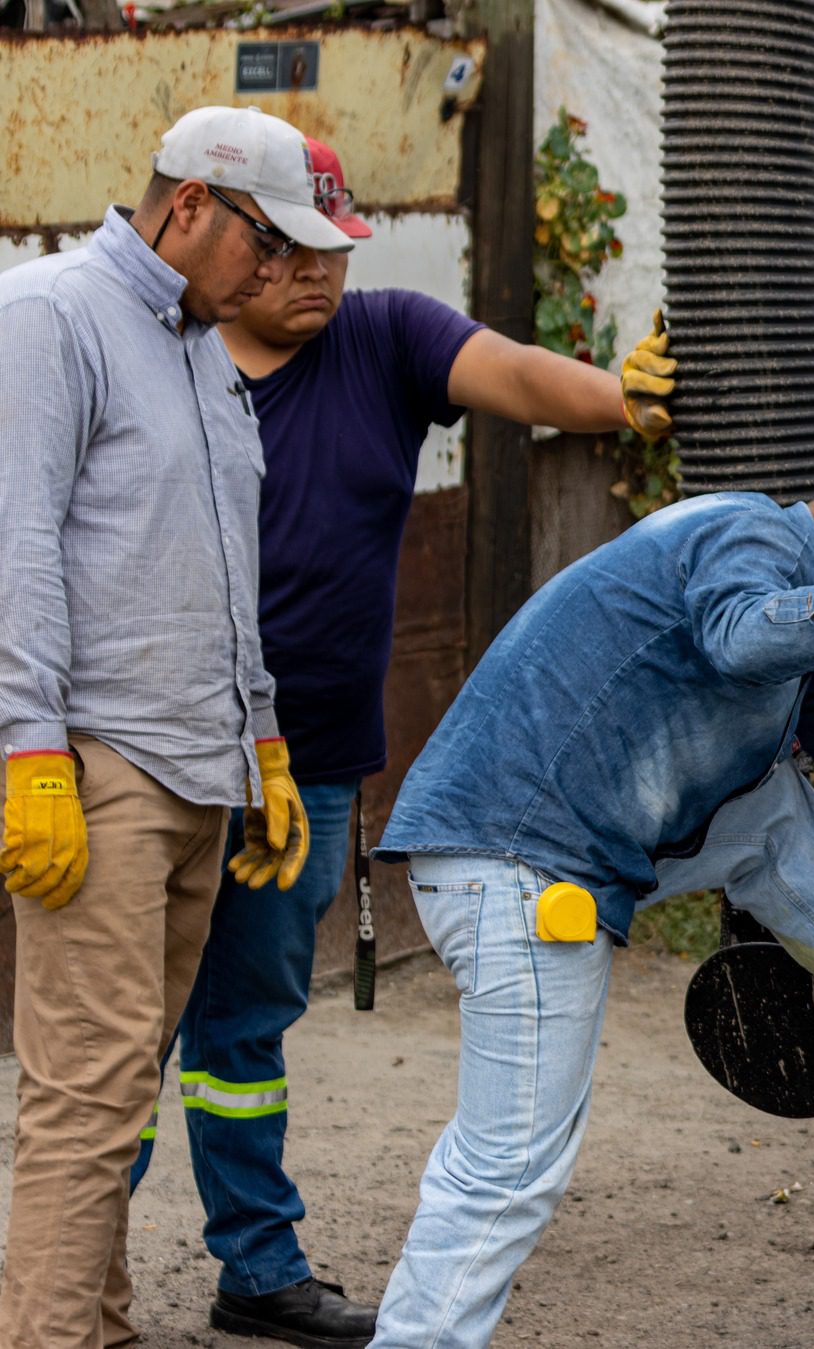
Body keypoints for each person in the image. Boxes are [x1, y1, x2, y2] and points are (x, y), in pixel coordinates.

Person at [121, 137, 650, 1349]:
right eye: (293, 250)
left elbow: (519, 378)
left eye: (335, 252)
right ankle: (78, 1268)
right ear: (234, 240)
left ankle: (255, 1264)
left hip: (301, 764)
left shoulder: (388, 339)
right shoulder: (165, 351)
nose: (318, 275)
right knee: (125, 1025)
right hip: (155, 753)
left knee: (245, 1026)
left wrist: (631, 395)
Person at [364, 450, 814, 1346]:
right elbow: (743, 634)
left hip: (546, 855)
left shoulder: (798, 633)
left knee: (770, 814)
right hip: (515, 863)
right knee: (506, 1171)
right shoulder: (747, 532)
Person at [0, 105, 350, 1348]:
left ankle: (92, 1320)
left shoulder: (204, 348)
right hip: (97, 765)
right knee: (84, 1098)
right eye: (269, 246)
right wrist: (28, 747)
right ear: (192, 205)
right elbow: (17, 544)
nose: (283, 274)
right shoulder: (50, 317)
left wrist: (260, 740)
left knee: (122, 1082)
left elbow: (219, 564)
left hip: (198, 764)